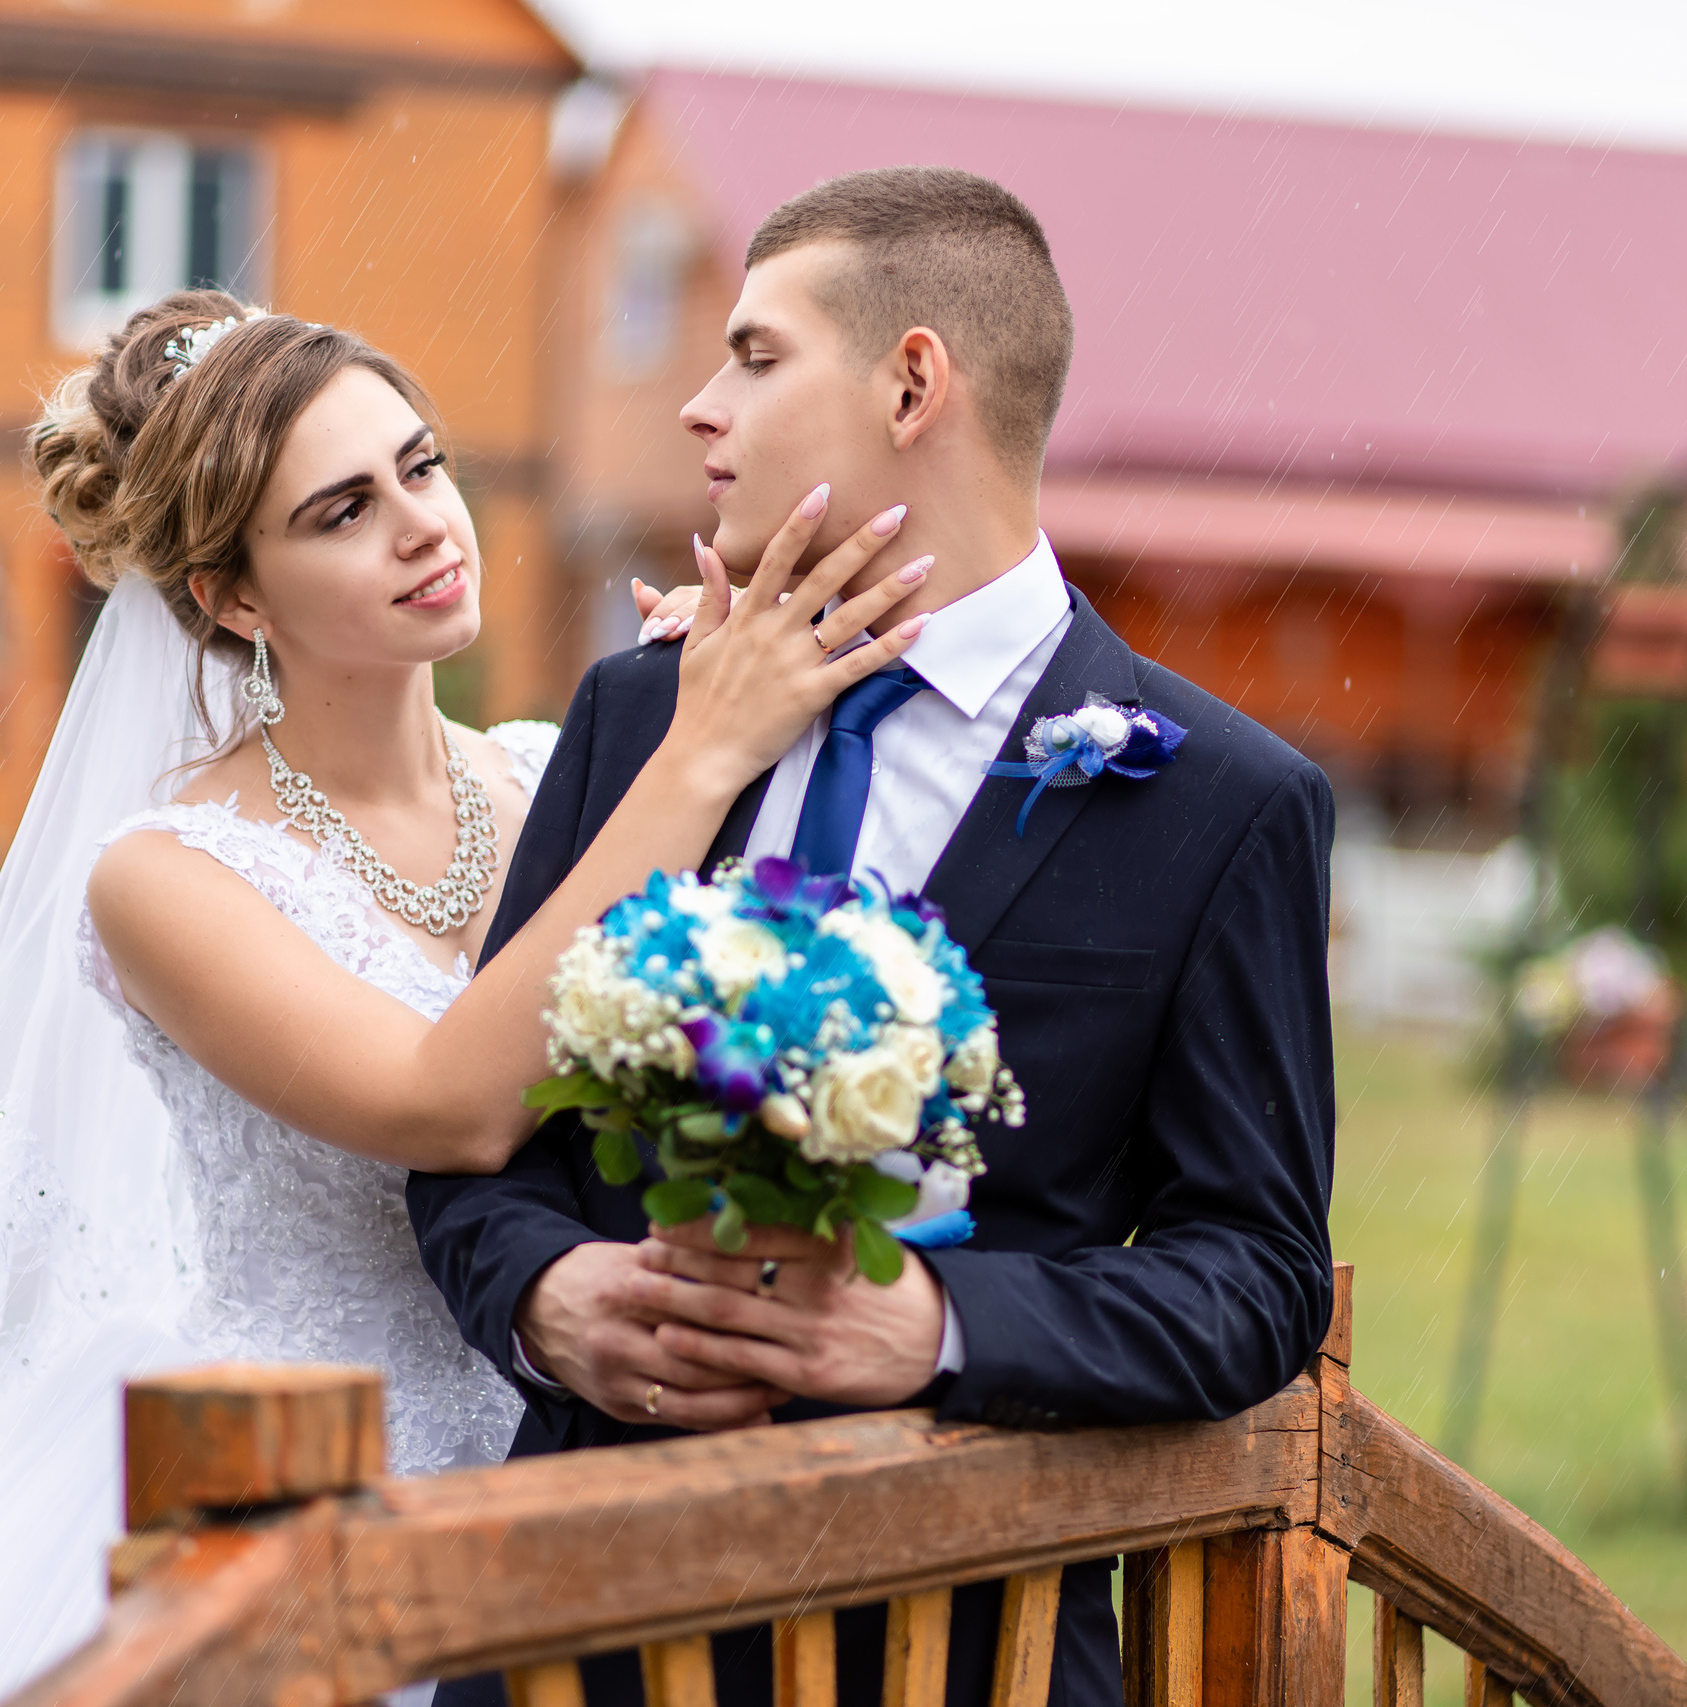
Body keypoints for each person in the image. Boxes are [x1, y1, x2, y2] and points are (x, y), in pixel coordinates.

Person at [0, 289, 932, 1707]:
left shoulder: (551, 773)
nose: (421, 524)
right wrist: (698, 753)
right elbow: (441, 1106)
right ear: (232, 598)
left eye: (422, 464)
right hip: (300, 1493)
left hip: (585, 1460)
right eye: (339, 511)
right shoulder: (164, 876)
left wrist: (706, 711)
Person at [409, 168, 1339, 1707]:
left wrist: (940, 1326)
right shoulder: (642, 716)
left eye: (756, 357)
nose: (702, 410)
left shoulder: (1221, 800)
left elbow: (1252, 1272)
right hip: (580, 1625)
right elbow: (475, 1140)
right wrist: (543, 1299)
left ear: (915, 381)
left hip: (972, 1639)